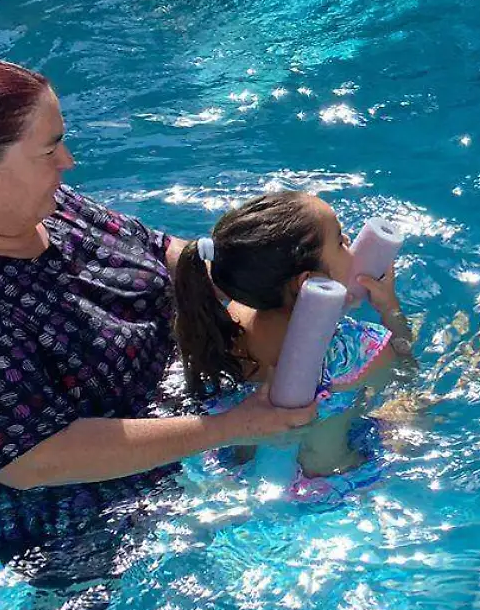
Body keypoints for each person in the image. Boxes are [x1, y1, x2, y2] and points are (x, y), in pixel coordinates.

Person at [0, 59, 314, 566]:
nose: (68, 161)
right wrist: (234, 426)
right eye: (49, 150)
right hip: (68, 508)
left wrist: (278, 265)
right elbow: (35, 460)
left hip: (180, 413)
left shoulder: (48, 206)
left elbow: (163, 254)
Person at [172, 191, 415, 500]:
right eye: (340, 241)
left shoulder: (228, 319)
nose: (350, 241)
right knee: (415, 409)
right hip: (329, 487)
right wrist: (390, 310)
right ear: (307, 282)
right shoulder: (355, 349)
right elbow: (405, 373)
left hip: (231, 475)